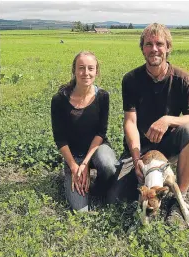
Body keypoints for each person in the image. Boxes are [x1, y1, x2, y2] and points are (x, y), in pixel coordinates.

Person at [107, 23, 189, 223]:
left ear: (168, 47)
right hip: (140, 149)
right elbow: (130, 122)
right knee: (115, 198)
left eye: (159, 43)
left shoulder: (183, 79)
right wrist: (135, 158)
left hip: (167, 147)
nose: (154, 49)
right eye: (148, 44)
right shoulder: (131, 79)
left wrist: (168, 120)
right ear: (142, 48)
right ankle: (147, 182)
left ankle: (179, 197)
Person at [51, 51, 117, 212]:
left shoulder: (102, 96)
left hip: (97, 149)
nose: (86, 73)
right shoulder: (59, 100)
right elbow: (60, 139)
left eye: (90, 68)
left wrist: (86, 163)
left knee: (109, 166)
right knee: (81, 210)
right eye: (81, 68)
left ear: (96, 71)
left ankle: (98, 186)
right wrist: (75, 166)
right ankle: (72, 175)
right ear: (74, 70)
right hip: (73, 156)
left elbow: (101, 133)